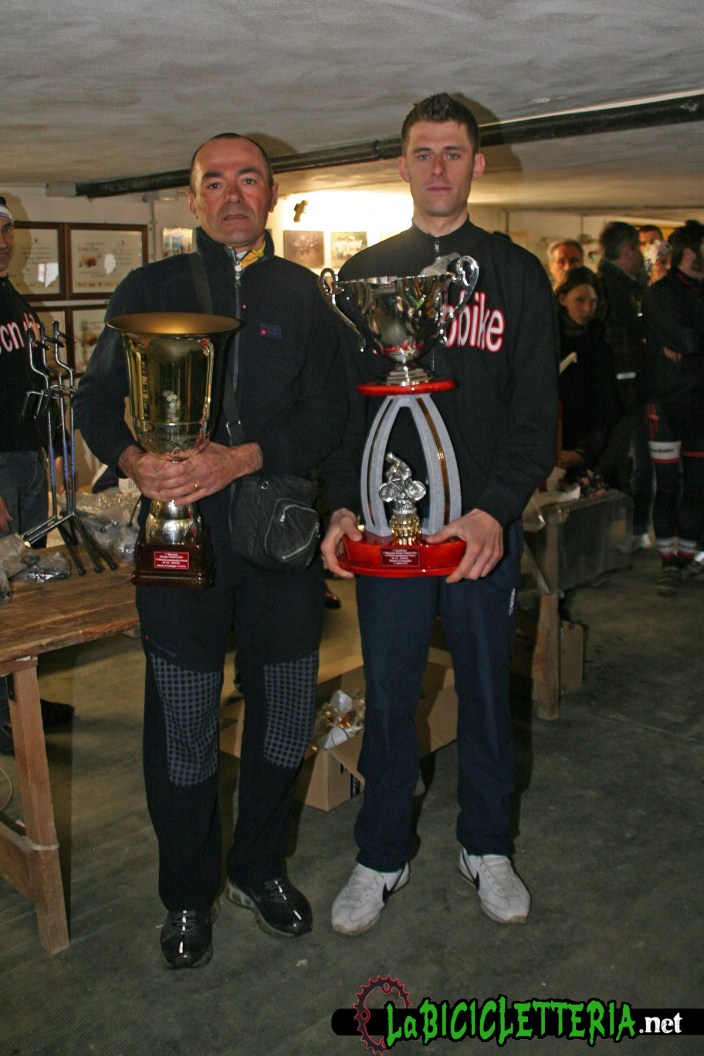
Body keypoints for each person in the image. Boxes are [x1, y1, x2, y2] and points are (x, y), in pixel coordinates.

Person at [73, 134, 348, 968]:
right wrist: (132, 459)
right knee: (186, 727)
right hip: (177, 546)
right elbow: (94, 400)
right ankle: (188, 895)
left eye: (249, 180)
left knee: (286, 715)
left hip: (275, 540)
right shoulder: (148, 287)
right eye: (214, 181)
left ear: (271, 196)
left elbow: (332, 414)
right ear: (192, 199)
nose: (233, 194)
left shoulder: (305, 294)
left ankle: (258, 867)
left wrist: (245, 457)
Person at [321, 93, 557, 934]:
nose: (438, 169)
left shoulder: (517, 274)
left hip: (479, 535)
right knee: (387, 695)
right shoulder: (363, 275)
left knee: (490, 693)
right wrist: (341, 505)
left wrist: (496, 511)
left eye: (453, 153)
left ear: (477, 164)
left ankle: (486, 845)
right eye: (423, 153)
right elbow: (346, 411)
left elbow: (538, 412)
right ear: (402, 164)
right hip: (388, 530)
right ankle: (382, 852)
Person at [0, 197, 74, 755]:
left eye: (7, 228)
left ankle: (21, 699)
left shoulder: (11, 297)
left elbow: (29, 379)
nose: (3, 240)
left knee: (24, 589)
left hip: (25, 462)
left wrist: (53, 444)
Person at [640, 220, 704, 595]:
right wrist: (687, 342)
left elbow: (689, 340)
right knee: (666, 486)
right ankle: (667, 562)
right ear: (690, 252)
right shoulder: (660, 293)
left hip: (698, 402)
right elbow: (685, 338)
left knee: (697, 486)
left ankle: (685, 558)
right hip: (663, 403)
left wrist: (689, 344)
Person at [596, 221, 652, 549]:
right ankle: (622, 534)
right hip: (622, 395)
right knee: (621, 462)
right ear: (628, 250)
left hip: (616, 393)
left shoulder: (610, 285)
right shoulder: (616, 290)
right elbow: (621, 347)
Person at [555, 266, 623, 485]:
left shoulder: (598, 344)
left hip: (587, 446)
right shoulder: (547, 339)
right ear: (562, 298)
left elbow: (606, 405)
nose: (587, 309)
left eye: (593, 301)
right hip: (552, 442)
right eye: (580, 300)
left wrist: (583, 452)